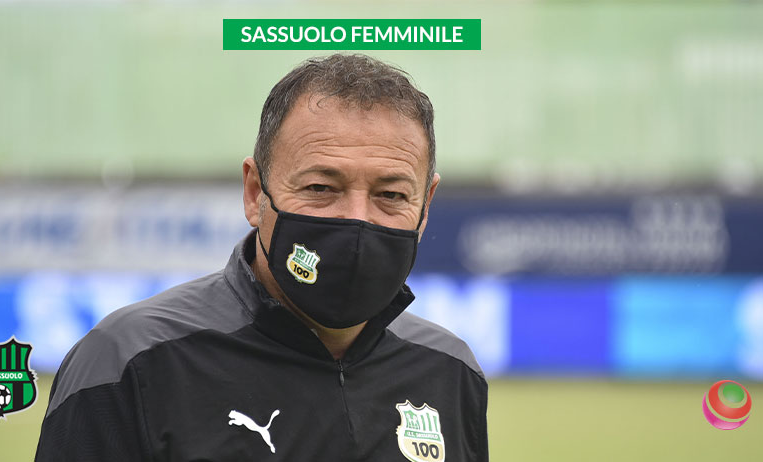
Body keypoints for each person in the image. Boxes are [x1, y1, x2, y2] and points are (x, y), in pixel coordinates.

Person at [35, 54, 489, 461]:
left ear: (425, 206)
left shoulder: (451, 371)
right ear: (255, 193)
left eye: (390, 194)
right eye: (320, 188)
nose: (356, 220)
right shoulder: (130, 361)